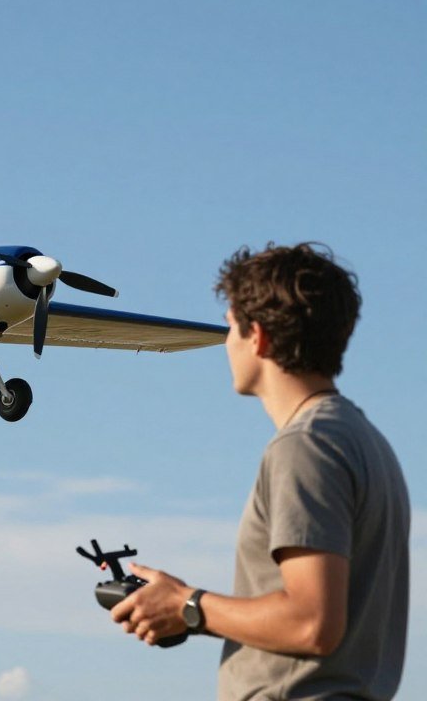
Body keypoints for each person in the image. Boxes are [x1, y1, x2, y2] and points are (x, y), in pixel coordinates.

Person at [111, 243, 410, 700]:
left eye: (231, 328)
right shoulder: (364, 440)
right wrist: (185, 611)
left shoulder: (305, 446)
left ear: (259, 336)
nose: (227, 344)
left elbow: (313, 624)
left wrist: (188, 605)